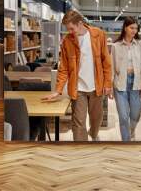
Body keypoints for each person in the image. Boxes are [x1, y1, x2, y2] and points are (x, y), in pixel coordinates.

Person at [42, 10, 112, 141]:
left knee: (97, 118)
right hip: (78, 89)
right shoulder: (67, 42)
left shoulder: (98, 35)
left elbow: (106, 62)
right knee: (78, 123)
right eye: (67, 29)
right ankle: (82, 151)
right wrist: (58, 90)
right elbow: (63, 69)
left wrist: (108, 84)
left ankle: (94, 134)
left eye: (71, 28)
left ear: (80, 23)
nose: (69, 32)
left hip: (96, 87)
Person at [110, 17, 141, 141]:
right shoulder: (116, 46)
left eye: (136, 28)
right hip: (120, 83)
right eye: (131, 28)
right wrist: (110, 86)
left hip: (136, 83)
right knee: (123, 116)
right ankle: (126, 142)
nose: (134, 31)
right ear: (125, 28)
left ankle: (131, 130)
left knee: (135, 114)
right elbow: (111, 67)